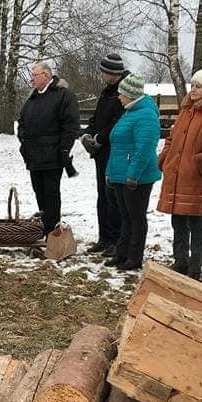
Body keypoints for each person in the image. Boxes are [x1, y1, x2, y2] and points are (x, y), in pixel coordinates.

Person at [156, 69, 202, 280]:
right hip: (176, 172)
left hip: (195, 174)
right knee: (177, 220)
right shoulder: (187, 109)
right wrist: (165, 158)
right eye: (193, 85)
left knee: (196, 222)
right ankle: (180, 262)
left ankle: (195, 267)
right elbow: (172, 137)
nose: (194, 90)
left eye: (198, 86)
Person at [104, 73, 162, 271]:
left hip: (137, 177)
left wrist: (133, 174)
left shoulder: (146, 115)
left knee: (136, 217)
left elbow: (145, 147)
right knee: (125, 215)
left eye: (121, 94)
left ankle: (134, 257)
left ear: (130, 94)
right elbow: (117, 145)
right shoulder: (129, 112)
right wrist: (110, 172)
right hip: (121, 174)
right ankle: (122, 253)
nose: (119, 97)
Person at [18, 61, 80, 236]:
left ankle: (52, 231)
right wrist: (24, 140)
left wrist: (64, 149)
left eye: (34, 75)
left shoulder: (63, 95)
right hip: (33, 155)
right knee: (39, 192)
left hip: (53, 155)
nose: (31, 79)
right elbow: (22, 121)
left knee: (51, 194)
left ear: (45, 75)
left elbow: (71, 124)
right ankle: (44, 226)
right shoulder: (32, 98)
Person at [81, 54, 127, 254]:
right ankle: (104, 237)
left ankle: (116, 240)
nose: (101, 74)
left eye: (104, 71)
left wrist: (101, 138)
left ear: (113, 73)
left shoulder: (123, 92)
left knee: (113, 196)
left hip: (113, 151)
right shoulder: (106, 92)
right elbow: (98, 117)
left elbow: (118, 121)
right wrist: (88, 133)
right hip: (100, 153)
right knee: (102, 195)